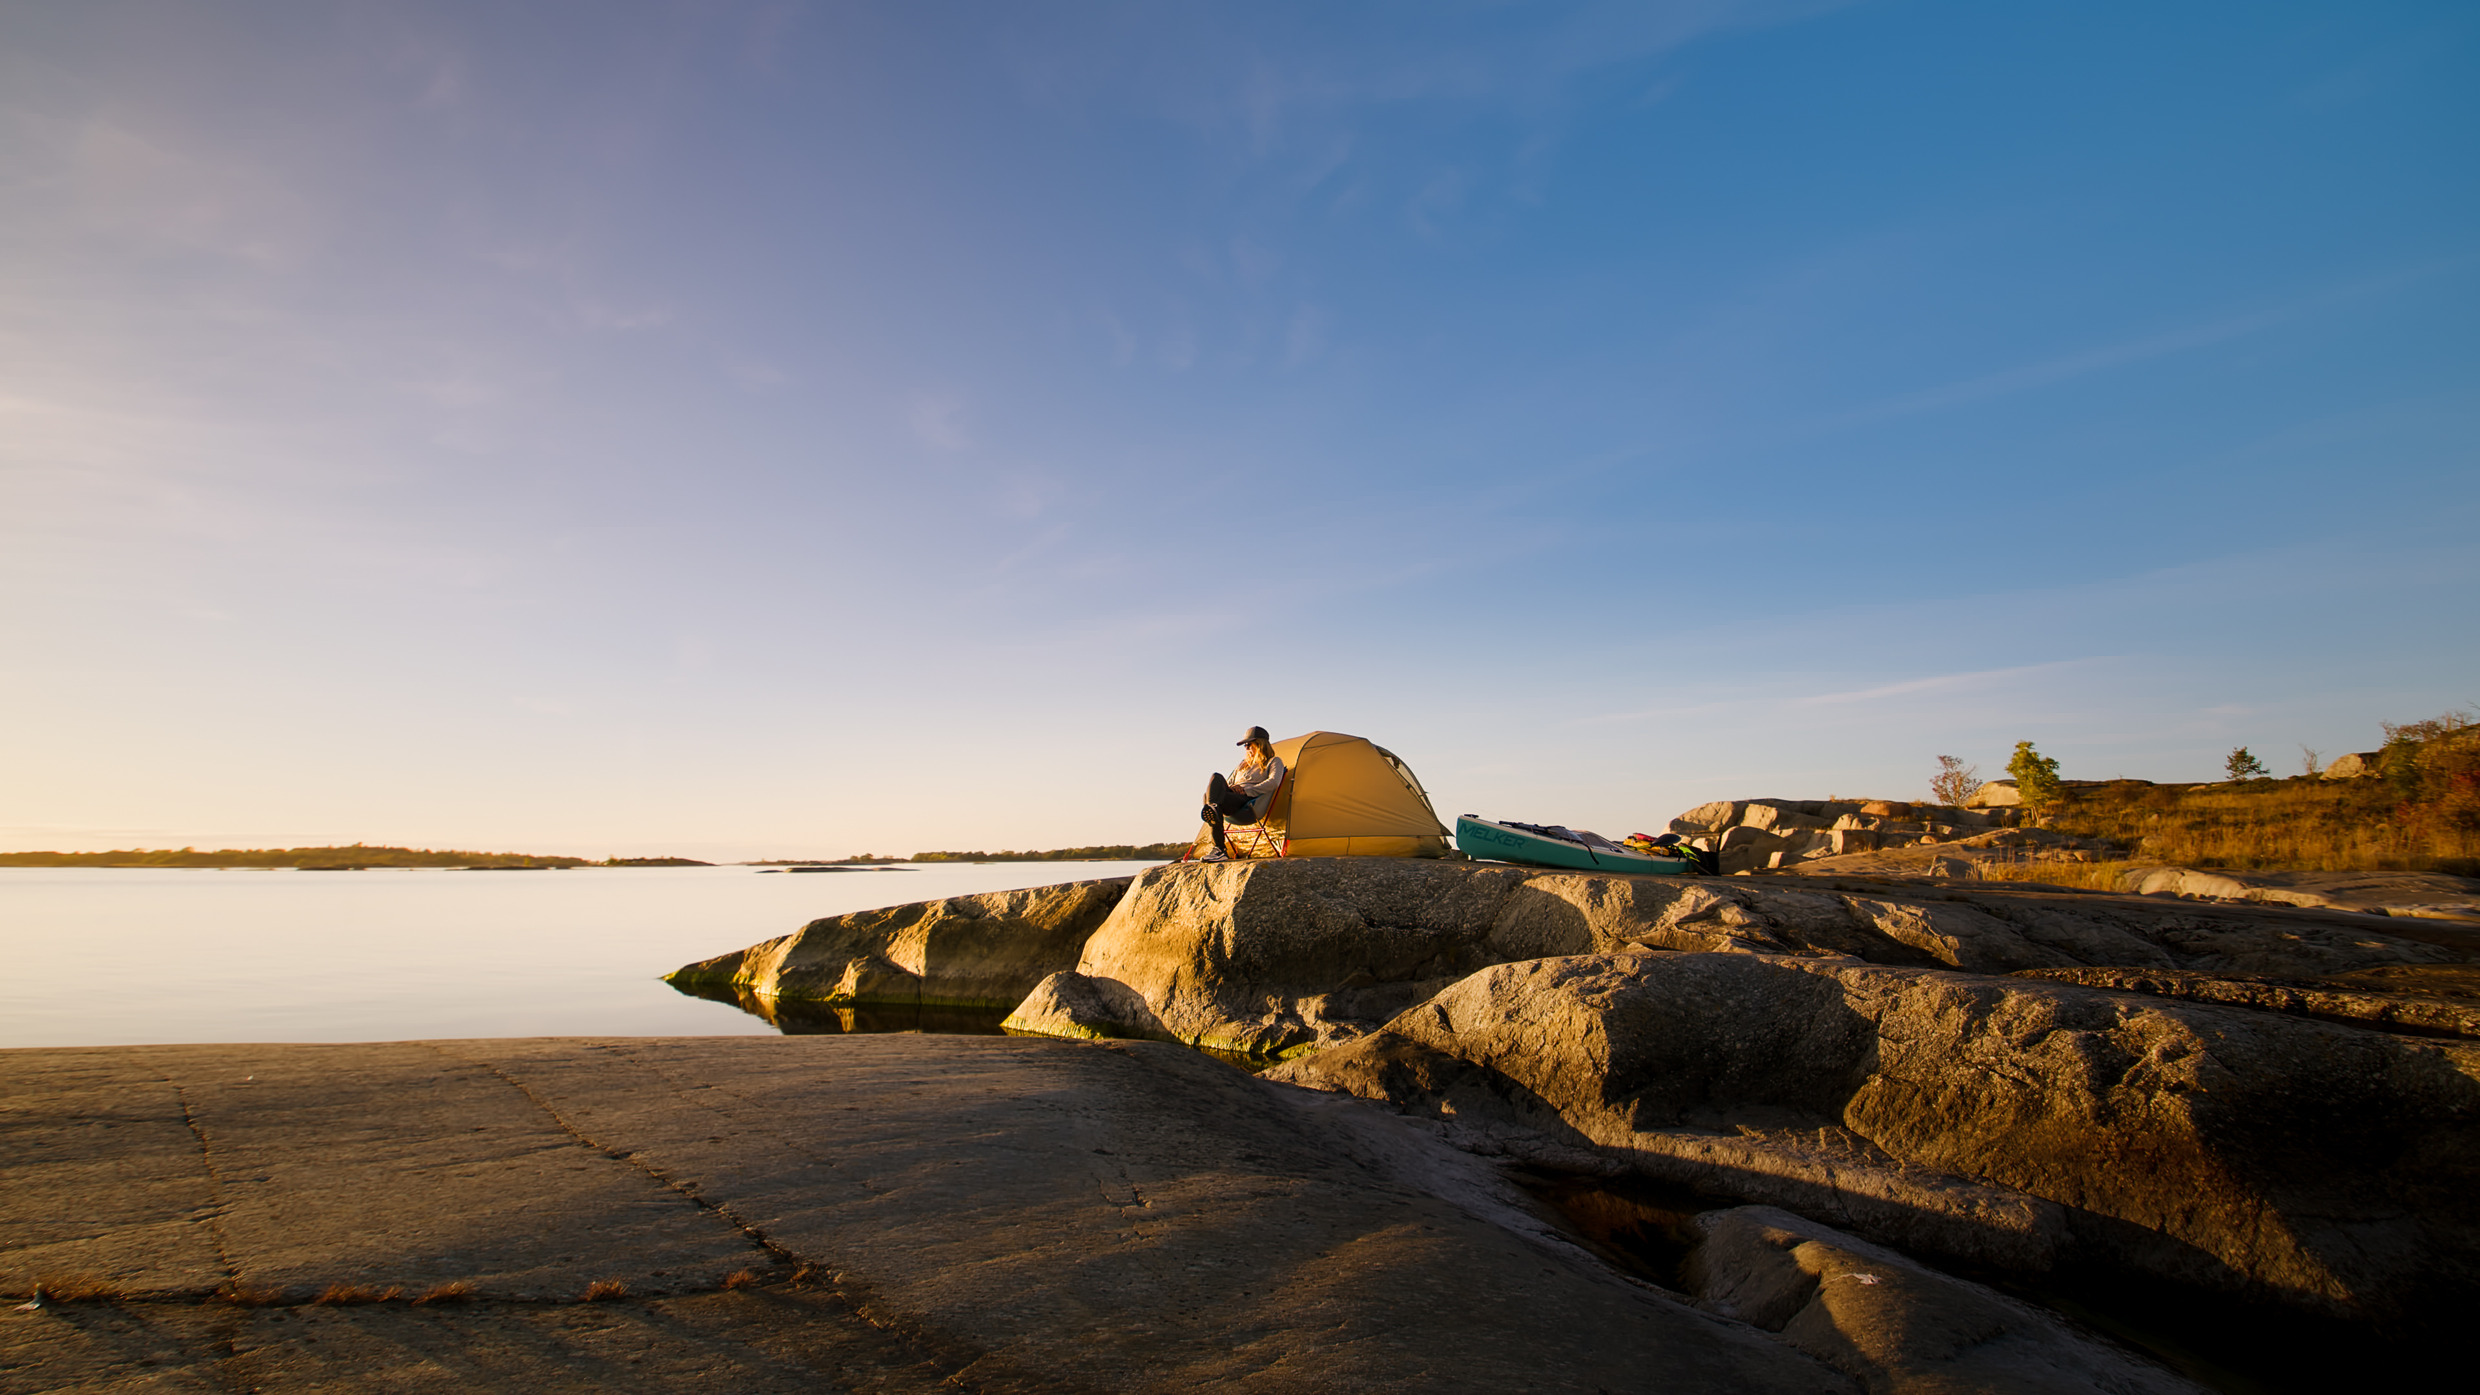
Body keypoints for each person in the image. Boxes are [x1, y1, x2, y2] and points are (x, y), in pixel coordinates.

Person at [1197, 726, 1286, 861]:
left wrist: (1246, 790)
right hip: (1232, 797)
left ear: (1260, 744)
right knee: (1216, 778)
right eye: (1245, 745)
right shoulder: (1243, 765)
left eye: (1248, 744)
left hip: (1248, 801)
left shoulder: (1273, 762)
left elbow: (1273, 783)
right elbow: (1228, 784)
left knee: (1212, 803)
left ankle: (1219, 848)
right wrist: (1234, 787)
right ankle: (1214, 809)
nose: (1246, 748)